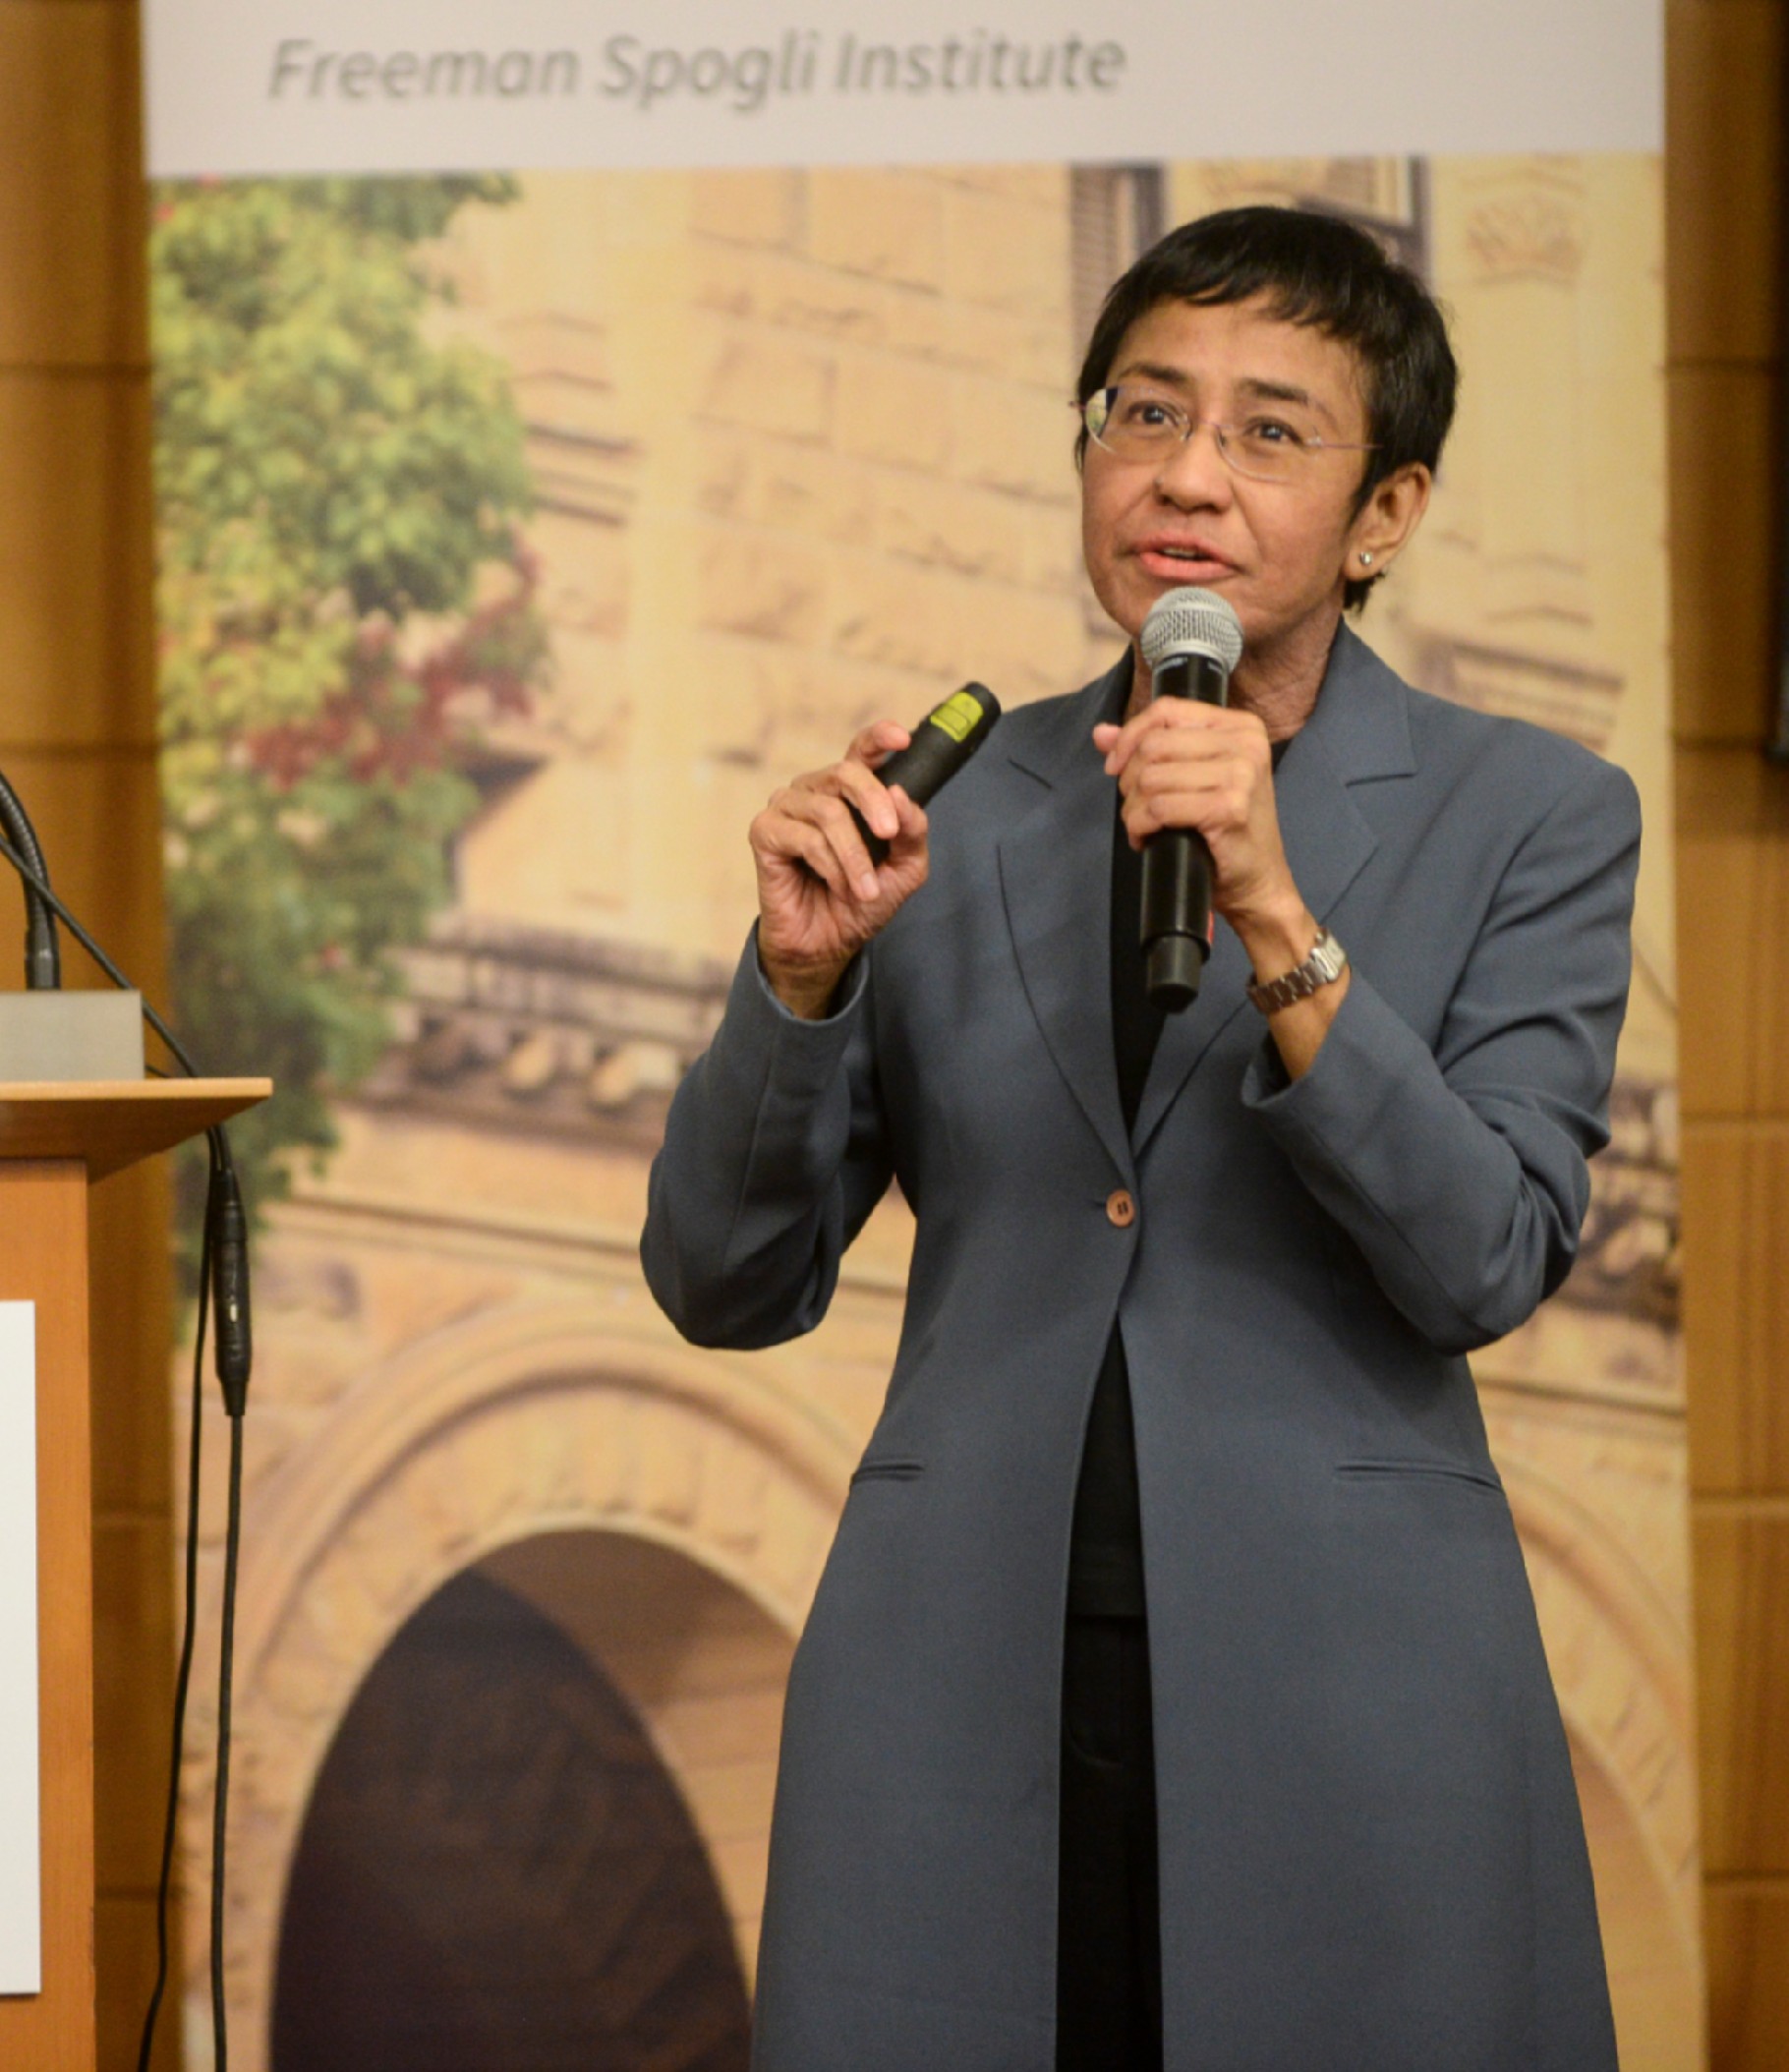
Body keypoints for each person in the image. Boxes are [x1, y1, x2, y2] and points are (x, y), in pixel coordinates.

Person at [642, 205, 1636, 2072]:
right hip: (961, 1687)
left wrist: (1273, 911)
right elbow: (721, 1282)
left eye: (1270, 431)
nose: (1186, 474)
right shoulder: (950, 798)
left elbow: (1486, 1255)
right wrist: (795, 981)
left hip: (1351, 1699)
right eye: (1143, 411)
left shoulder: (1535, 812)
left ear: (1388, 513)